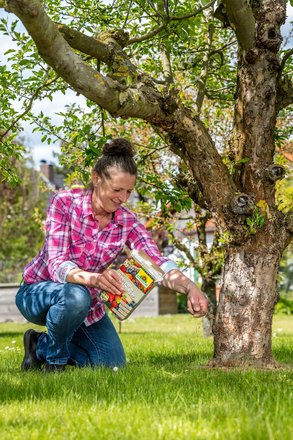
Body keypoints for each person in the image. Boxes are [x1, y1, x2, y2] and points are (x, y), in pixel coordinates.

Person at [15, 138, 208, 372]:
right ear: (96, 178)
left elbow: (155, 260)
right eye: (117, 190)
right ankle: (55, 363)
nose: (123, 198)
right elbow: (56, 264)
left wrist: (190, 287)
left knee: (112, 364)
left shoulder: (127, 221)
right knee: (77, 296)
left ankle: (39, 345)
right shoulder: (64, 203)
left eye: (128, 191)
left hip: (87, 307)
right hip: (40, 291)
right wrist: (94, 279)